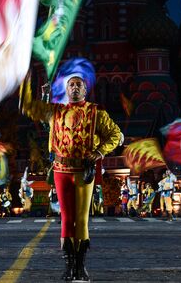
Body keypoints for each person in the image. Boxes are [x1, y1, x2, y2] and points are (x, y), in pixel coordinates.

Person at [22, 73, 121, 282]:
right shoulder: (55, 111)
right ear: (66, 90)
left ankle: (81, 266)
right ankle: (69, 266)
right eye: (71, 85)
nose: (75, 88)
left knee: (82, 219)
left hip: (84, 171)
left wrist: (100, 152)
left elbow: (115, 135)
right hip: (60, 170)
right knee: (66, 218)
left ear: (85, 90)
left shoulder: (96, 112)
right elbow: (29, 108)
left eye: (79, 85)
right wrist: (29, 83)